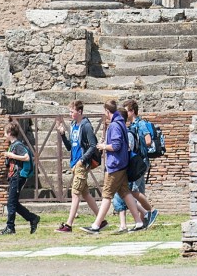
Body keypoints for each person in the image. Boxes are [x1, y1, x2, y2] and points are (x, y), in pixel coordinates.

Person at [82, 100, 146, 234]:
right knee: (125, 193)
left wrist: (103, 146)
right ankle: (139, 221)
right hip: (122, 164)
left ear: (106, 111)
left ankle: (96, 225)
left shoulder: (115, 125)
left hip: (115, 165)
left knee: (107, 195)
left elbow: (116, 146)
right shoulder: (120, 123)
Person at [54, 101, 105, 233]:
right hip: (75, 163)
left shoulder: (86, 126)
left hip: (81, 164)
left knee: (75, 193)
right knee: (85, 193)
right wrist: (63, 134)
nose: (70, 114)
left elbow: (93, 145)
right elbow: (70, 146)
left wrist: (82, 160)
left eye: (72, 111)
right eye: (70, 111)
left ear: (80, 111)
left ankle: (68, 225)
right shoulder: (73, 125)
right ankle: (102, 220)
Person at [111, 99, 158, 232]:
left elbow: (148, 141)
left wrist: (137, 148)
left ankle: (151, 212)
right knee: (132, 191)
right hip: (134, 162)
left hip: (139, 161)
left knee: (134, 192)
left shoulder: (141, 124)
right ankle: (143, 221)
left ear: (132, 111)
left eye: (126, 111)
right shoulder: (131, 125)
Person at [0, 122, 41, 235]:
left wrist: (11, 156)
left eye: (5, 133)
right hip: (14, 176)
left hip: (18, 177)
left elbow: (26, 157)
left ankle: (10, 227)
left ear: (10, 133)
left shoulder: (18, 145)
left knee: (11, 203)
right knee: (13, 203)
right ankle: (32, 218)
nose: (4, 135)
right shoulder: (13, 146)